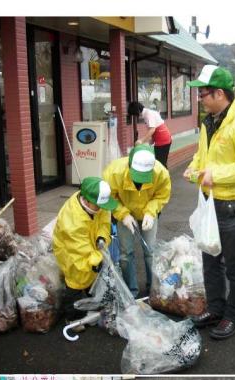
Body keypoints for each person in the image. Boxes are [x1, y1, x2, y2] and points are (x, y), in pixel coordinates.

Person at [184, 65, 235, 340]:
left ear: (219, 94)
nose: (200, 99)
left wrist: (214, 175)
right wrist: (194, 167)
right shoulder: (210, 121)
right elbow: (202, 155)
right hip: (213, 203)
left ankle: (234, 316)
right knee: (210, 260)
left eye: (203, 94)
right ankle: (216, 308)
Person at [103, 145, 171, 297]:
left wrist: (150, 212)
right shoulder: (115, 172)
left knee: (150, 251)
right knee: (126, 253)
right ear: (130, 164)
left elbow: (162, 195)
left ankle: (153, 289)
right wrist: (123, 215)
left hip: (148, 213)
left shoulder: (160, 172)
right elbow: (109, 197)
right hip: (124, 214)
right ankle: (131, 291)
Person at [51, 177, 115, 321]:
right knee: (76, 281)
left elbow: (104, 222)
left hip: (90, 245)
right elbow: (79, 247)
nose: (101, 209)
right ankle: (73, 318)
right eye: (98, 206)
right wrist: (97, 260)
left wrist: (102, 237)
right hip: (71, 251)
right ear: (86, 201)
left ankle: (88, 306)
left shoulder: (97, 203)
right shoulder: (72, 219)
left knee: (91, 277)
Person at [128, 100, 173, 168]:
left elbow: (152, 129)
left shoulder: (148, 114)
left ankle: (164, 177)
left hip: (163, 140)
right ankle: (163, 176)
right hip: (161, 139)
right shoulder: (147, 113)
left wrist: (141, 141)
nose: (135, 116)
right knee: (160, 162)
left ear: (137, 111)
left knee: (160, 164)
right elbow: (154, 129)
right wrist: (150, 141)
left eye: (134, 114)